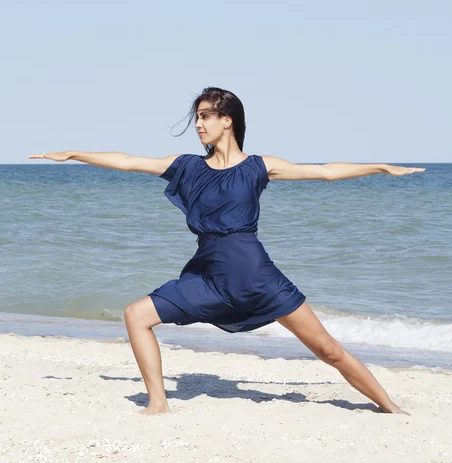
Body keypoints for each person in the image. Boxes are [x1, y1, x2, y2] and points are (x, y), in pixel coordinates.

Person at [29, 86, 425, 416]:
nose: (198, 124)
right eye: (197, 117)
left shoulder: (258, 166)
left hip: (257, 274)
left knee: (327, 348)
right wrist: (73, 153)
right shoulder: (187, 166)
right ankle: (157, 403)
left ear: (227, 120)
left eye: (205, 116)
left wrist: (380, 167)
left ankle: (389, 406)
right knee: (136, 315)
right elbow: (130, 162)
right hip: (208, 275)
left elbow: (324, 171)